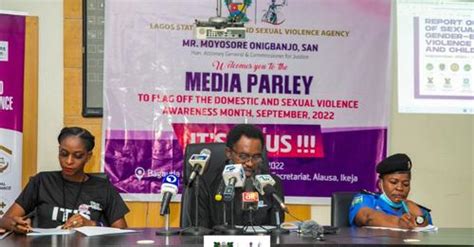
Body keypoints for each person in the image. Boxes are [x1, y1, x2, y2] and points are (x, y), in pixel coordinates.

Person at [0, 127, 129, 234]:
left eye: (78, 156)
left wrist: (93, 224)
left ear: (88, 157)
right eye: (64, 153)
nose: (68, 161)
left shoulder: (103, 187)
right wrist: (14, 224)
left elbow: (121, 231)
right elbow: (5, 219)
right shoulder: (42, 181)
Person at [213, 124, 285, 228]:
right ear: (228, 153)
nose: (250, 163)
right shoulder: (212, 184)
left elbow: (276, 230)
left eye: (256, 157)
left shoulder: (272, 185)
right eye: (243, 156)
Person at [349, 153, 432, 229]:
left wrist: (420, 216)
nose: (400, 188)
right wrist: (399, 223)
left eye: (406, 184)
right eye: (393, 182)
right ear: (380, 183)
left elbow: (429, 237)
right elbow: (367, 217)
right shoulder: (367, 200)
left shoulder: (418, 210)